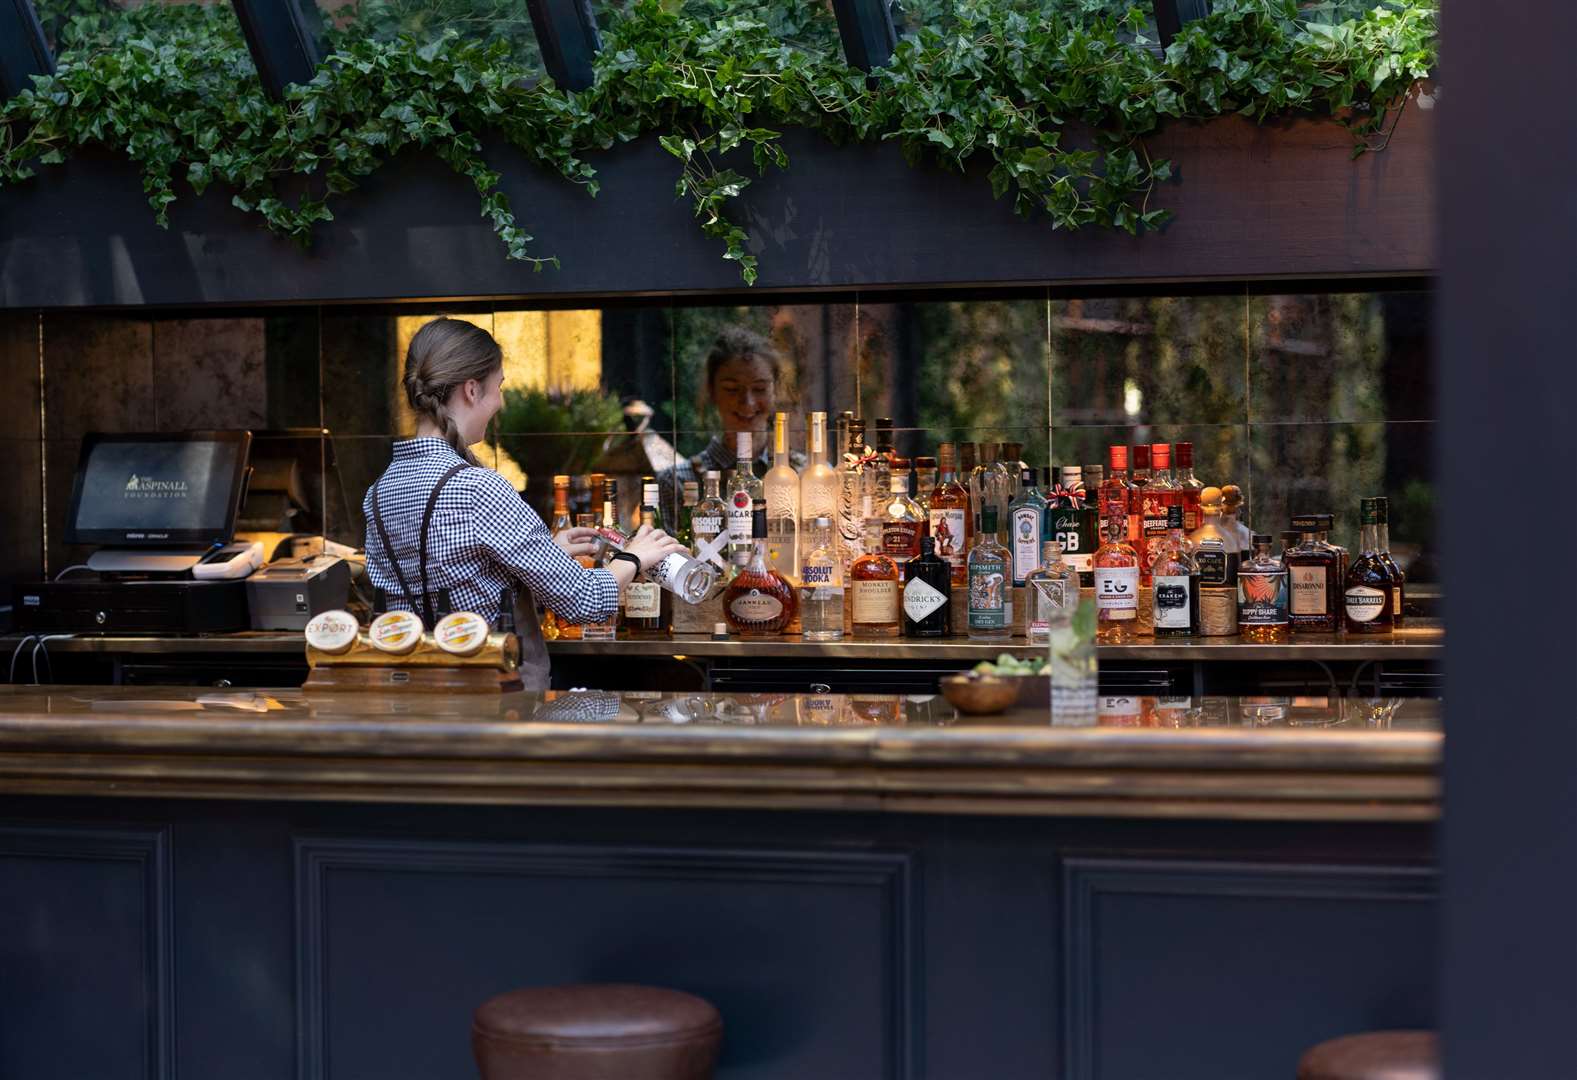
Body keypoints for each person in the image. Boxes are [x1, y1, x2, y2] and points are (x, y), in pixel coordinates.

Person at [363, 318, 685, 689]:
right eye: (498, 387)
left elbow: (446, 578)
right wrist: (635, 556)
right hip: (496, 707)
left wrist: (545, 553)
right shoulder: (478, 488)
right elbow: (584, 601)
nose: (500, 401)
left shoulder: (379, 491)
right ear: (471, 389)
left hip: (416, 701)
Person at [657, 326, 805, 514]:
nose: (747, 403)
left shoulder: (804, 474)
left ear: (775, 391)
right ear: (712, 392)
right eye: (732, 389)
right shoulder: (679, 481)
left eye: (759, 389)